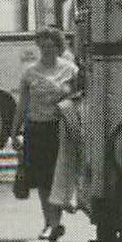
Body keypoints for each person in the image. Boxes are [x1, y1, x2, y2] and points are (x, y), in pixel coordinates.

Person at [15, 26, 78, 242]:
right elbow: (22, 104)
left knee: (57, 175)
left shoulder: (70, 70)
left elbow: (80, 98)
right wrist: (15, 131)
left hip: (61, 128)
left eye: (51, 46)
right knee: (42, 180)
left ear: (58, 47)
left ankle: (55, 221)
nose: (46, 50)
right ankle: (51, 223)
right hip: (36, 128)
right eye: (42, 46)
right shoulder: (30, 72)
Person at [48, 69, 87, 218]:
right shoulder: (68, 105)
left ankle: (80, 197)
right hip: (69, 133)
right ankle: (56, 218)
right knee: (65, 161)